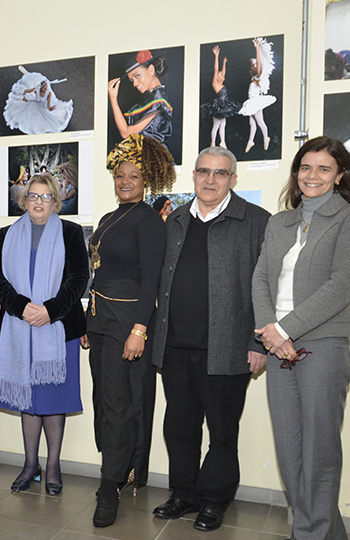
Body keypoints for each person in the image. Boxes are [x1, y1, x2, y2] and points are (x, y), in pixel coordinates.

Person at [151, 146, 270, 532]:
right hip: (175, 347)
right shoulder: (176, 220)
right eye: (204, 171)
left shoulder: (255, 221)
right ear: (194, 176)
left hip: (228, 349)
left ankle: (214, 500)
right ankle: (183, 494)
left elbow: (264, 288)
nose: (210, 179)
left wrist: (258, 343)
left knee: (222, 431)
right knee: (179, 427)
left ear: (233, 179)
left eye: (220, 173)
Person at [252, 136, 350, 540]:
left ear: (339, 175)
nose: (313, 176)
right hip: (278, 346)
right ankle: (320, 531)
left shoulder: (346, 218)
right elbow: (260, 278)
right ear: (296, 173)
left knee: (319, 450)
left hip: (324, 344)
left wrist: (285, 329)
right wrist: (271, 333)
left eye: (324, 168)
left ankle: (312, 533)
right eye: (306, 167)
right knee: (290, 449)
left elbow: (342, 284)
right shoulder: (279, 222)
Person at [85, 134, 175, 527]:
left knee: (120, 408)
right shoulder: (108, 218)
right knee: (105, 404)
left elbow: (152, 280)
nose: (125, 181)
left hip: (127, 325)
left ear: (147, 180)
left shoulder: (149, 221)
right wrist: (88, 322)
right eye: (120, 175)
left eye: (134, 176)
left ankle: (109, 489)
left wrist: (140, 329)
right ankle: (114, 473)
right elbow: (99, 273)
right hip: (100, 322)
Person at [0, 174, 88, 496]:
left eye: (46, 197)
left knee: (53, 399)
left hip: (59, 331)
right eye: (33, 196)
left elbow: (78, 277)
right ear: (23, 198)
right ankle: (30, 464)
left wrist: (50, 310)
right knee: (29, 401)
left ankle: (54, 466)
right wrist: (21, 307)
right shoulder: (7, 234)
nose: (38, 202)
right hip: (20, 329)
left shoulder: (71, 232)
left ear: (56, 202)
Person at [108, 50, 173, 146]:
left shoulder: (158, 101)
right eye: (132, 80)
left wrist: (113, 100)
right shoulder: (151, 98)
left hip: (152, 157)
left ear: (151, 69)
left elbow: (126, 133)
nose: (134, 83)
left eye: (137, 76)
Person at [4, 66, 74, 135]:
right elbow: (29, 91)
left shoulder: (48, 93)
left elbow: (49, 102)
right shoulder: (36, 90)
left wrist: (49, 107)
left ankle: (28, 76)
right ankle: (27, 75)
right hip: (33, 101)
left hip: (39, 105)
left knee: (45, 115)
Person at [239, 37, 277, 153]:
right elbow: (255, 64)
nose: (251, 69)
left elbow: (259, 63)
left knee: (260, 122)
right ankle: (251, 140)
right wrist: (252, 61)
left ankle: (266, 137)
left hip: (256, 101)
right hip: (251, 101)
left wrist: (257, 47)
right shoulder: (254, 77)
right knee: (252, 123)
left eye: (253, 67)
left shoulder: (259, 77)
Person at [201, 45, 241, 149]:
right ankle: (213, 143)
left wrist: (224, 63)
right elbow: (216, 69)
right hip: (218, 106)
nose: (222, 75)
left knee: (223, 125)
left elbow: (223, 72)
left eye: (222, 75)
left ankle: (222, 142)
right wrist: (216, 56)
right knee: (216, 126)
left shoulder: (221, 83)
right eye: (220, 74)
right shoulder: (215, 84)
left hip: (224, 105)